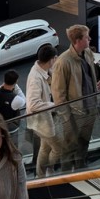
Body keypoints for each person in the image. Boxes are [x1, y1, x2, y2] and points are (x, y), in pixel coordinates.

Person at [52, 24, 100, 171]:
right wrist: (67, 118)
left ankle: (81, 168)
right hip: (74, 114)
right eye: (87, 37)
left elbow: (94, 72)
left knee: (84, 142)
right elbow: (58, 94)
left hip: (90, 108)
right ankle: (66, 174)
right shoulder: (63, 62)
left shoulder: (87, 53)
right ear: (78, 40)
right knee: (69, 147)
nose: (90, 39)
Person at [26, 44, 60, 178]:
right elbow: (33, 104)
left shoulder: (42, 71)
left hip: (44, 121)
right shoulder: (36, 77)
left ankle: (40, 175)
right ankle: (49, 170)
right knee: (58, 148)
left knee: (45, 148)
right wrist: (54, 105)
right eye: (55, 58)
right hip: (41, 122)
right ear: (51, 59)